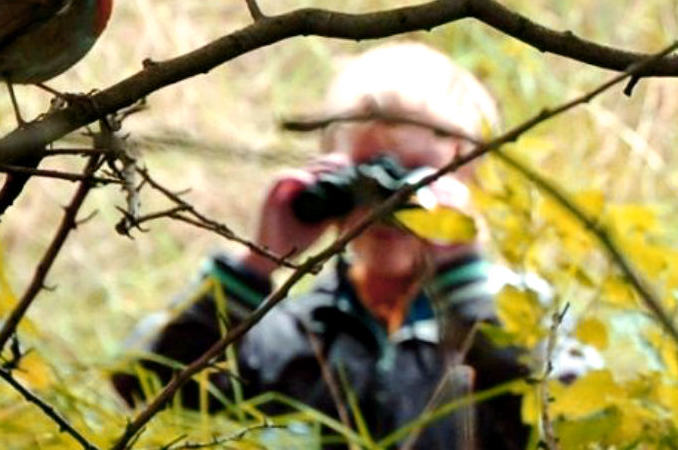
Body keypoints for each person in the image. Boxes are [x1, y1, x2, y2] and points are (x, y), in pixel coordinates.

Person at [113, 42, 529, 449]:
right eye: (367, 174)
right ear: (331, 169)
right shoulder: (291, 335)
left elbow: (566, 424)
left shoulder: (519, 320)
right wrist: (256, 264)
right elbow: (143, 388)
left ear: (470, 183)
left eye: (420, 177)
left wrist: (464, 280)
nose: (387, 205)